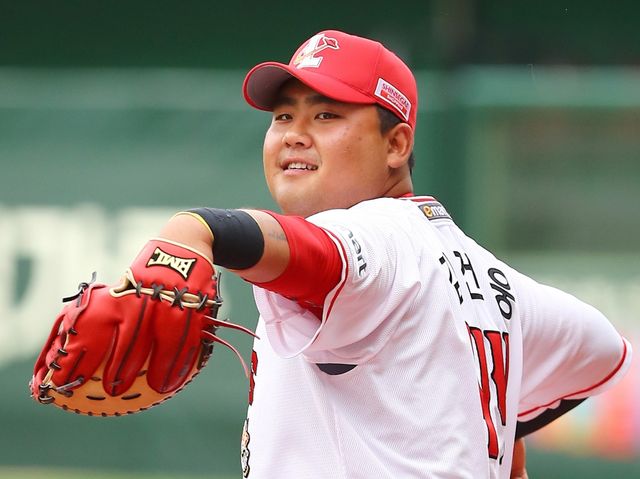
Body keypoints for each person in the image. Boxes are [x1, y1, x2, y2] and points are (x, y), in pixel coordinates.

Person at [157, 30, 631, 478]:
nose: (293, 135)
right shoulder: (494, 280)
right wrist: (506, 429)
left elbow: (318, 254)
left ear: (396, 144)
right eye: (283, 116)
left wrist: (199, 229)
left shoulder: (380, 238)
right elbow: (601, 349)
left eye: (326, 115)